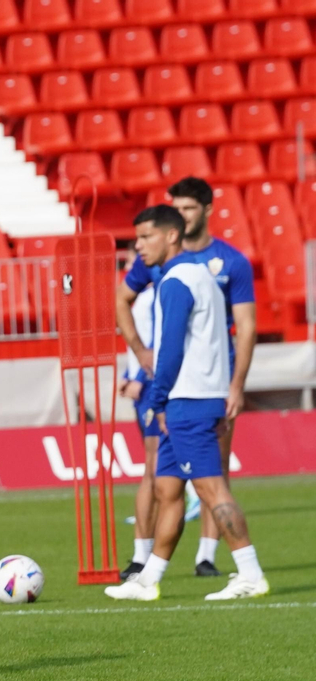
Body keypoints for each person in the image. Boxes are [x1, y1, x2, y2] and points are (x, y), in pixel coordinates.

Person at [105, 206, 269, 603]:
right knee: (168, 489)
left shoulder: (176, 281)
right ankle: (149, 578)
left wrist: (156, 399)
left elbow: (171, 349)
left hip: (187, 399)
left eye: (146, 236)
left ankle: (250, 573)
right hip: (200, 394)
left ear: (172, 236)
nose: (138, 246)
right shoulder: (203, 276)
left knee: (212, 490)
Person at [116, 286, 163, 580]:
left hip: (161, 385)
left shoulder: (165, 291)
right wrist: (129, 375)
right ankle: (142, 556)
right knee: (153, 469)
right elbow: (138, 347)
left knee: (158, 471)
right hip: (147, 388)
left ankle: (207, 556)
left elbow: (155, 343)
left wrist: (134, 377)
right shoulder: (143, 299)